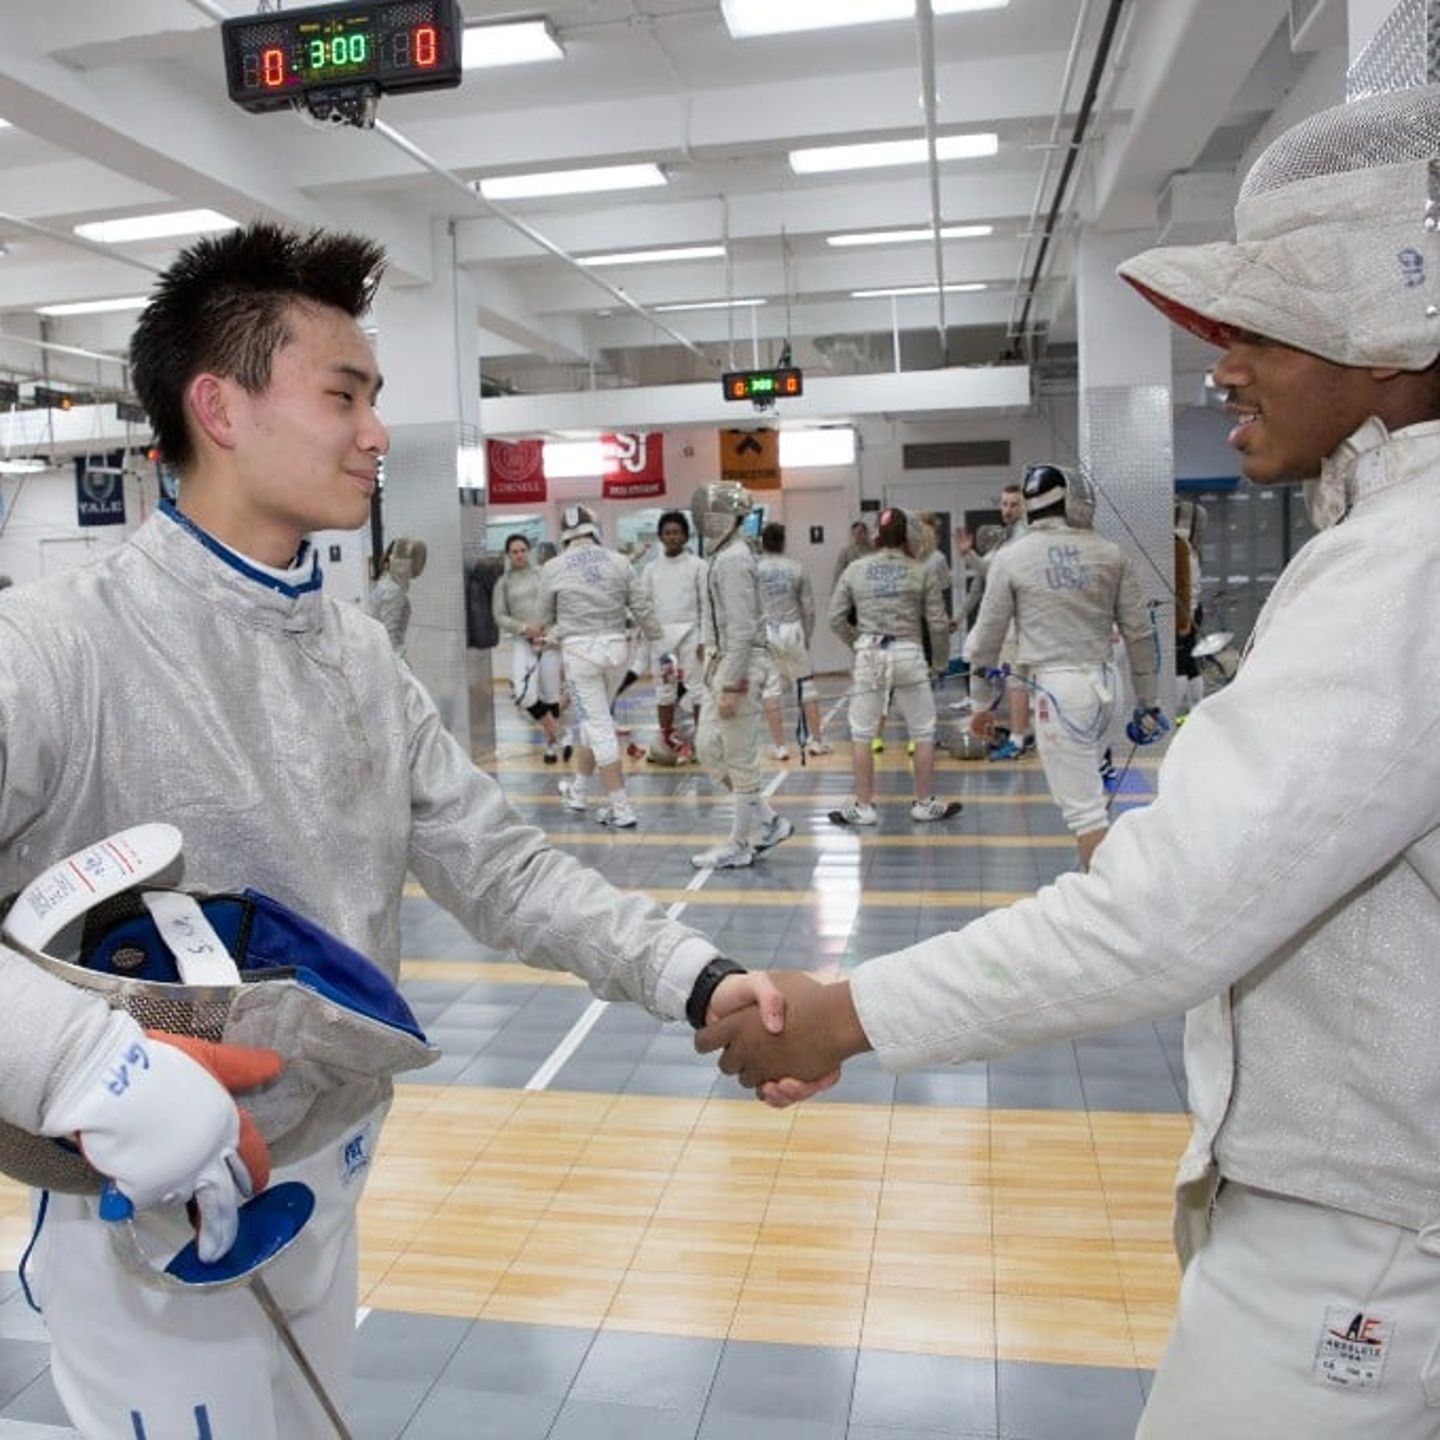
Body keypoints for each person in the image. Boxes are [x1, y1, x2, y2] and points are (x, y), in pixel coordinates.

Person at [697, 84, 1440, 1439]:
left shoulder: (1410, 559)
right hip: (1114, 698)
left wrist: (843, 1013)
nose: (1220, 367)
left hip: (1372, 1226)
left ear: (1390, 330)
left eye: (1255, 327)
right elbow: (1151, 650)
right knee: (1119, 831)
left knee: (1119, 851)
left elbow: (1172, 913)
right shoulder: (1366, 537)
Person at [0, 222, 787, 1440]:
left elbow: (503, 869)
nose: (377, 434)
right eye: (344, 395)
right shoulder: (57, 644)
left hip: (330, 1158)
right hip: (144, 1205)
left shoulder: (355, 651)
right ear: (218, 404)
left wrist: (694, 977)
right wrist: (75, 1064)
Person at [965, 463, 1163, 870]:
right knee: (1091, 796)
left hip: (1059, 693)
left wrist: (980, 705)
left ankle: (1104, 909)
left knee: (1085, 814)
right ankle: (1101, 882)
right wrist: (1148, 701)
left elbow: (985, 641)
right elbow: (1140, 632)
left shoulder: (1011, 557)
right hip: (1108, 687)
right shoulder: (1110, 551)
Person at [827, 506, 962, 825]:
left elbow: (835, 618)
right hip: (909, 654)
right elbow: (938, 625)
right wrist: (939, 664)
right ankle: (924, 803)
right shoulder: (921, 570)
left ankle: (863, 807)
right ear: (907, 537)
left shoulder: (856, 569)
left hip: (870, 653)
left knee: (862, 733)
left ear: (877, 536)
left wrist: (858, 641)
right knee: (923, 730)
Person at [692, 482, 794, 870]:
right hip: (721, 663)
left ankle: (739, 843)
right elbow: (715, 620)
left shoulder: (734, 558)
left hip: (741, 664)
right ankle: (770, 822)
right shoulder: (723, 556)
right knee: (707, 747)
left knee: (738, 757)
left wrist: (733, 683)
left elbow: (741, 626)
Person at [541, 504, 662, 829]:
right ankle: (579, 791)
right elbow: (643, 608)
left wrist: (549, 634)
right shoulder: (620, 561)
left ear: (565, 535)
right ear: (594, 529)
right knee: (594, 721)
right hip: (617, 653)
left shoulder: (553, 567)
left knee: (597, 724)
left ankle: (621, 808)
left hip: (581, 656)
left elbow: (543, 619)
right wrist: (661, 647)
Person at [956, 480, 1031, 757]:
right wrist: (968, 554)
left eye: (1014, 504)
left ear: (1025, 507)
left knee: (1017, 679)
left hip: (1020, 617)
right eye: (1004, 504)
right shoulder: (1006, 537)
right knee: (978, 665)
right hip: (1002, 615)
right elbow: (989, 569)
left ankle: (1018, 738)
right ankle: (983, 730)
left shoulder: (1027, 538)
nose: (1008, 510)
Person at [757, 521, 829, 761]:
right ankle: (817, 741)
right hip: (792, 629)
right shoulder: (796, 567)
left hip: (766, 631)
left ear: (762, 542)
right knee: (806, 686)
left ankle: (780, 747)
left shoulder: (755, 569)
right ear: (783, 541)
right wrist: (806, 637)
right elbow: (809, 608)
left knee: (770, 690)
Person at [493, 532, 562, 762]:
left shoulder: (543, 574)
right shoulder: (503, 583)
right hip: (524, 642)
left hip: (549, 640)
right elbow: (499, 615)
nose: (519, 555)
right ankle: (560, 735)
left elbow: (556, 603)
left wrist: (548, 630)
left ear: (528, 551)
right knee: (526, 696)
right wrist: (524, 628)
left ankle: (551, 745)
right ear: (508, 555)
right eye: (515, 551)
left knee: (550, 694)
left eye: (523, 550)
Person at [643, 508, 706, 764]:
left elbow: (706, 604)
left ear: (685, 535)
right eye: (667, 533)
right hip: (662, 642)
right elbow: (644, 606)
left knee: (698, 690)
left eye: (677, 532)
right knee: (665, 691)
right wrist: (650, 639)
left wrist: (704, 639)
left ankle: (703, 742)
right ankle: (667, 740)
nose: (672, 537)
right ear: (660, 536)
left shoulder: (698, 566)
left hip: (692, 635)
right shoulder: (651, 569)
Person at [369, 535, 427, 656]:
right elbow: (389, 637)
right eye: (413, 559)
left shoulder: (385, 583)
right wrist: (400, 668)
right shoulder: (393, 591)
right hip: (388, 657)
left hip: (381, 654)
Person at [832, 517, 872, 583]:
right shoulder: (846, 551)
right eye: (854, 533)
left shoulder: (874, 550)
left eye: (860, 532)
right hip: (852, 586)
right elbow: (838, 573)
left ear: (866, 533)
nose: (858, 536)